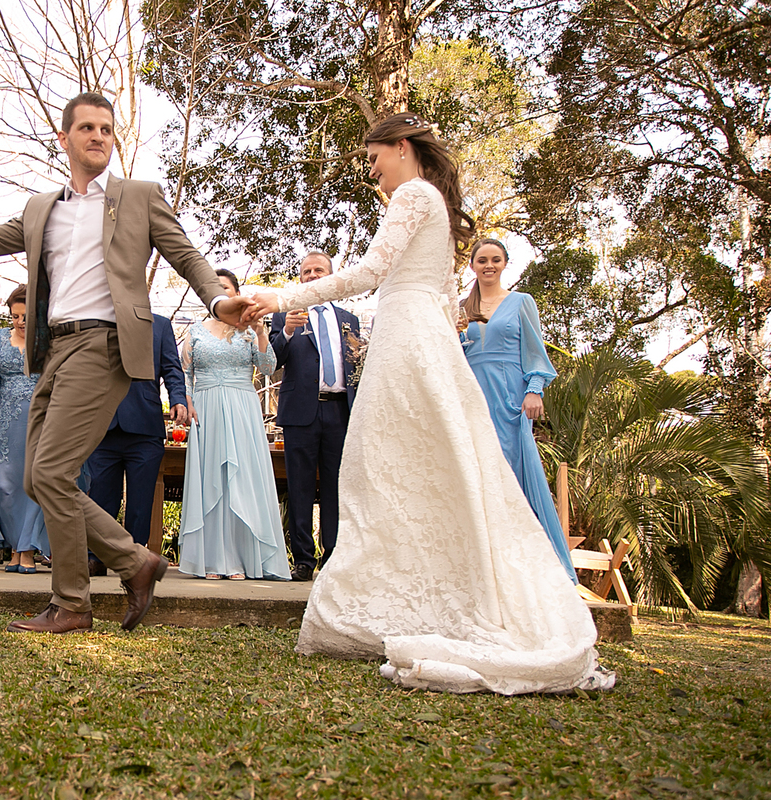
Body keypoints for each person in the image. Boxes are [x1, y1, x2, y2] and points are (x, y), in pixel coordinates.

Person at [245, 113, 613, 694]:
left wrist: (281, 294)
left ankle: (399, 603)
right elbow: (444, 302)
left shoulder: (415, 194)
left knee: (383, 468)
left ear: (400, 147)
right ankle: (414, 597)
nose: (372, 171)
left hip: (407, 339)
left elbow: (369, 272)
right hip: (418, 337)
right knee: (414, 469)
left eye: (374, 158)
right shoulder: (436, 202)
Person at [0, 91, 251, 634]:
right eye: (87, 128)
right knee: (38, 478)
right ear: (65, 138)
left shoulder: (140, 197)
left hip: (105, 346)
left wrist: (218, 302)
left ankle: (75, 602)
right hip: (53, 350)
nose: (99, 136)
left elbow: (187, 256)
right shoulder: (41, 209)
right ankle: (134, 562)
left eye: (106, 128)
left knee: (50, 471)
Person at [459, 239, 578, 583]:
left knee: (512, 473)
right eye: (482, 260)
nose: (489, 265)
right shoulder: (462, 307)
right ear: (472, 266)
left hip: (510, 398)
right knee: (478, 475)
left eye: (495, 259)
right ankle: (486, 562)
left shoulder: (521, 302)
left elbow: (536, 351)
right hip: (473, 398)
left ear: (505, 263)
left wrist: (534, 389)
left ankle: (530, 563)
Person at [178, 270, 291, 581]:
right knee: (212, 478)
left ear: (236, 293)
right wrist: (187, 401)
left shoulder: (248, 331)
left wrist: (262, 332)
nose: (220, 293)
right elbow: (185, 372)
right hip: (207, 409)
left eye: (226, 288)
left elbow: (268, 368)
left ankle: (243, 558)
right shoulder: (195, 331)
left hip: (242, 408)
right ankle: (213, 559)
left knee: (242, 479)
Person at [269, 252, 361, 581]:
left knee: (337, 487)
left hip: (339, 411)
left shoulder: (350, 318)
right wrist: (288, 333)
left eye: (317, 270)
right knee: (300, 487)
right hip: (300, 413)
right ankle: (304, 560)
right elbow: (271, 362)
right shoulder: (285, 316)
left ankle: (333, 556)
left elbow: (356, 365)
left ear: (330, 275)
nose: (311, 275)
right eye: (305, 271)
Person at [85, 311, 188, 574]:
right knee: (100, 496)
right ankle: (95, 556)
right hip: (102, 425)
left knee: (141, 499)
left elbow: (172, 368)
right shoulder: (95, 321)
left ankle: (133, 557)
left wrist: (178, 398)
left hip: (145, 425)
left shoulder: (160, 325)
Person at [0, 285, 47, 573]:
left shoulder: (48, 338)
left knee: (35, 482)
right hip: (6, 421)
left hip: (41, 417)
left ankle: (26, 549)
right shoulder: (1, 337)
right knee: (6, 484)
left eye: (26, 315)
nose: (20, 321)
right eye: (15, 316)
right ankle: (14, 547)